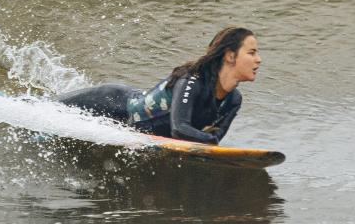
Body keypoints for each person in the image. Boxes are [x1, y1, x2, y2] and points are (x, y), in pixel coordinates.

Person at [55, 26, 261, 144]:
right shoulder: (192, 82)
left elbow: (213, 139)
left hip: (128, 127)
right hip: (110, 102)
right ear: (230, 56)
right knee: (44, 109)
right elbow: (179, 130)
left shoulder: (233, 100)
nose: (258, 60)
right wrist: (209, 140)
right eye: (251, 53)